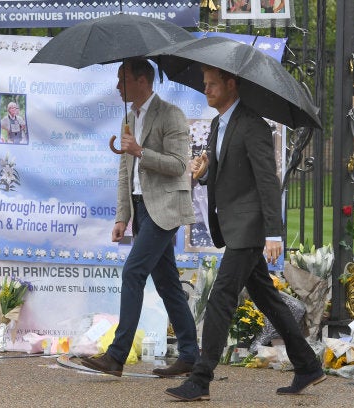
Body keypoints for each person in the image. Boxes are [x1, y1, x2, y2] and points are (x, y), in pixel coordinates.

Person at [165, 65, 325, 401]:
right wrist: (206, 172)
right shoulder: (216, 124)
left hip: (249, 229)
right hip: (234, 227)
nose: (206, 90)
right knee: (268, 299)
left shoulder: (253, 126)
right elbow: (228, 175)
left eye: (211, 84)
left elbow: (268, 182)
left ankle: (200, 378)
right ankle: (308, 364)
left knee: (221, 298)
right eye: (204, 84)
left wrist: (273, 234)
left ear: (231, 84)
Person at [80, 57, 199, 378]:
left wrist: (140, 151)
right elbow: (124, 172)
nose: (118, 86)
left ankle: (116, 356)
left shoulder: (170, 114)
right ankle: (190, 354)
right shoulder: (129, 118)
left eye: (123, 79)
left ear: (142, 80)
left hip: (166, 208)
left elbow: (178, 165)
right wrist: (122, 217)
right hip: (140, 207)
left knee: (133, 272)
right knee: (168, 284)